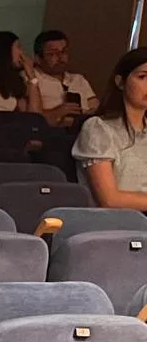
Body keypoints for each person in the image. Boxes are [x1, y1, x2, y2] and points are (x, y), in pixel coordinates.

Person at [73, 47, 147, 210]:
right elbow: (110, 200)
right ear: (120, 81)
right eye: (143, 77)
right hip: (113, 225)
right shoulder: (98, 128)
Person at [31, 29, 99, 122]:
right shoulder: (32, 78)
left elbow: (96, 109)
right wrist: (57, 112)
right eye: (52, 54)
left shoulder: (79, 79)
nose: (60, 57)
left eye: (63, 52)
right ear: (38, 59)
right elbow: (29, 119)